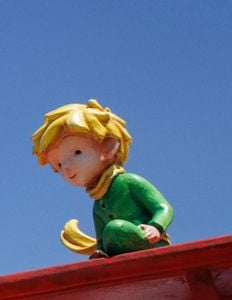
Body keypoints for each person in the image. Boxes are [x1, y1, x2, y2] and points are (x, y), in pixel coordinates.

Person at [30, 99, 173, 258]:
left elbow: (163, 208)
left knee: (115, 228)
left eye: (77, 152)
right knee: (112, 230)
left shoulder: (129, 182)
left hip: (152, 244)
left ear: (109, 146)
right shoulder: (98, 204)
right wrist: (100, 251)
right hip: (122, 253)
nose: (67, 168)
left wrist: (156, 227)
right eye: (59, 165)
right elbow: (101, 237)